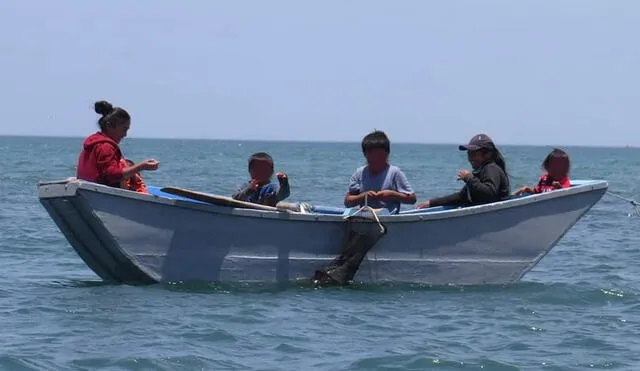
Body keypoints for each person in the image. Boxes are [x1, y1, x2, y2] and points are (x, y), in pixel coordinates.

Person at [77, 100, 159, 187]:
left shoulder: (92, 144)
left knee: (127, 163)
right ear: (109, 126)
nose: (125, 134)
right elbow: (112, 175)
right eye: (124, 129)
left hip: (88, 189)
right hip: (101, 193)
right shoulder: (105, 147)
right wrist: (141, 167)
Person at [416, 134, 509, 209]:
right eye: (469, 154)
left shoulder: (491, 168)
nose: (470, 158)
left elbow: (489, 194)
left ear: (488, 154)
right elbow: (461, 197)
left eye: (474, 154)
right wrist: (432, 203)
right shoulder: (480, 172)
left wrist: (469, 178)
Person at [344, 130, 416, 213]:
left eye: (380, 157)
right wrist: (364, 196)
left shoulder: (394, 173)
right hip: (365, 218)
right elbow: (347, 202)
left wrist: (392, 194)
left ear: (387, 154)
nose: (376, 160)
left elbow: (412, 199)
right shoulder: (360, 173)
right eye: (372, 157)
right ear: (365, 154)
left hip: (390, 219)